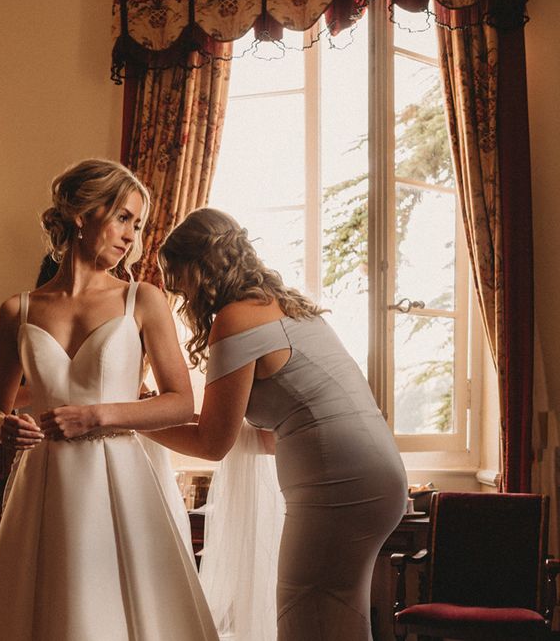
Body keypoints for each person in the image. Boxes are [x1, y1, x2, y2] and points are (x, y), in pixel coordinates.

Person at [82, 207, 405, 641]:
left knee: (303, 615)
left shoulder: (235, 320)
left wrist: (130, 416)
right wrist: (152, 411)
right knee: (342, 617)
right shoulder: (285, 306)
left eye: (179, 279)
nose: (180, 294)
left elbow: (212, 443)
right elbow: (266, 433)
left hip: (338, 483)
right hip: (376, 474)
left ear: (201, 268)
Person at [0, 160, 218, 641]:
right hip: (46, 480)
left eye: (137, 225)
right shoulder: (18, 309)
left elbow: (181, 402)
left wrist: (97, 415)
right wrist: (3, 428)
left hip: (120, 478)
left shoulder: (142, 300)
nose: (132, 237)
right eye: (123, 218)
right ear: (82, 214)